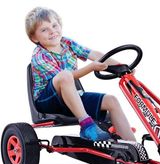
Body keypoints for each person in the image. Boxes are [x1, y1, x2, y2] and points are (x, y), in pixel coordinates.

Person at [25, 7, 136, 142]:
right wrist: (91, 68)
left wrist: (121, 67)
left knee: (111, 100)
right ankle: (87, 126)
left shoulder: (67, 43)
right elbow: (66, 78)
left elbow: (94, 55)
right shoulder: (39, 55)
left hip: (71, 97)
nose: (52, 31)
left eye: (54, 25)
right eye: (44, 29)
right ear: (34, 38)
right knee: (65, 75)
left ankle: (132, 148)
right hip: (47, 101)